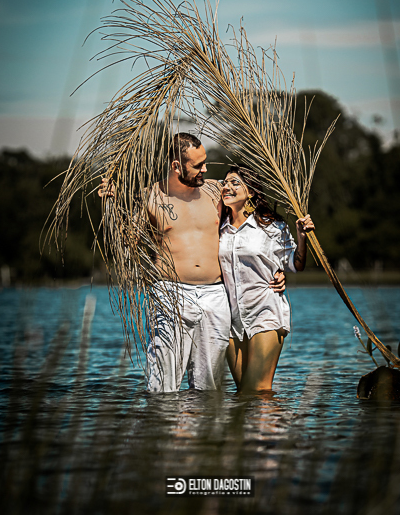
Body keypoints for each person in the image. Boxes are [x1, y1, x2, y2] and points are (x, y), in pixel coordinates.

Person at [99, 133, 286, 393]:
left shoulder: (215, 191)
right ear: (177, 166)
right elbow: (125, 241)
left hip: (215, 297)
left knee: (208, 388)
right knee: (163, 384)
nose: (205, 169)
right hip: (170, 294)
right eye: (198, 165)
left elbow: (254, 221)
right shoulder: (150, 197)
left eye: (205, 162)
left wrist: (276, 268)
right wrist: (110, 205)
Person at [218, 165, 315, 393]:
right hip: (231, 319)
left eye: (235, 182)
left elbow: (295, 264)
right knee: (244, 394)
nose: (227, 187)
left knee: (260, 390)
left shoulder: (271, 227)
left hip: (265, 311)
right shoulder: (219, 228)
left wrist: (302, 237)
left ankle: (276, 419)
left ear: (251, 191)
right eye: (225, 182)